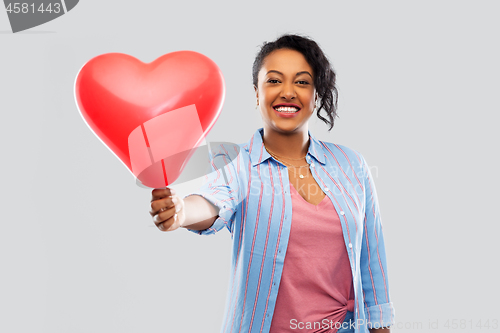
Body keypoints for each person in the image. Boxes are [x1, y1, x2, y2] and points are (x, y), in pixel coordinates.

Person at [150, 34, 395, 333]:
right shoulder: (235, 162)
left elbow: (372, 262)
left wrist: (381, 328)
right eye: (274, 81)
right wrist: (181, 212)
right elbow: (213, 201)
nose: (288, 92)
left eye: (302, 82)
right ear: (256, 93)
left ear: (316, 94)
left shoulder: (352, 165)